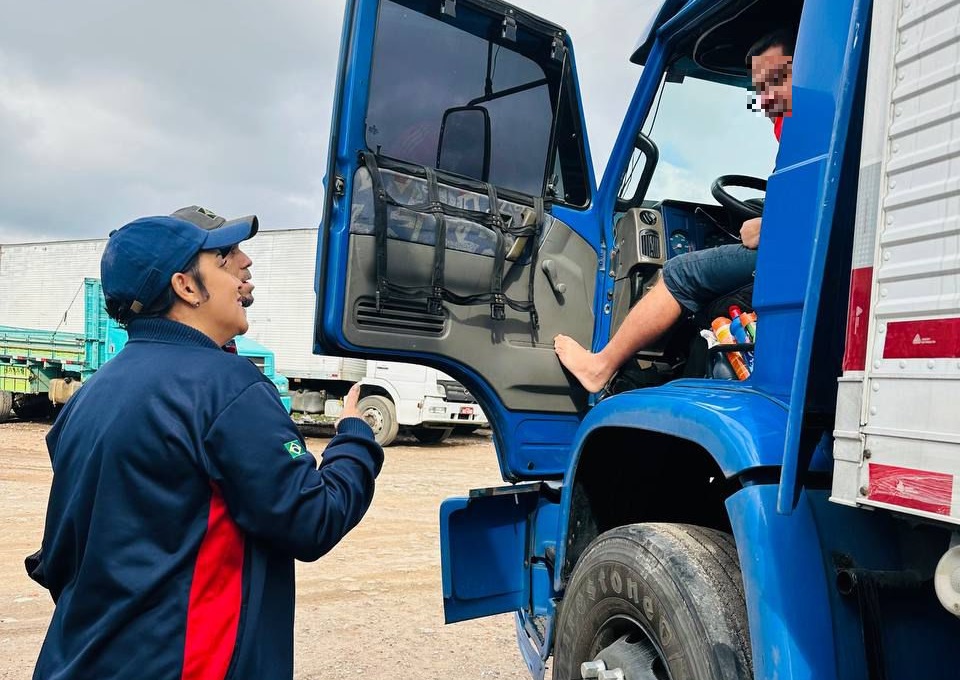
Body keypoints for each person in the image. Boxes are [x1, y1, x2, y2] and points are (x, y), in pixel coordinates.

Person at [31, 211, 384, 679]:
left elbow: (59, 556)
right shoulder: (225, 387)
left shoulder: (93, 392)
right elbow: (312, 519)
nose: (245, 264)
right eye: (223, 257)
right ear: (187, 287)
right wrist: (355, 438)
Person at [554, 28, 794, 392]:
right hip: (800, 255)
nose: (766, 97)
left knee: (680, 272)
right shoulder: (813, 125)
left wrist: (760, 225)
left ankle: (600, 367)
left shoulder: (803, 128)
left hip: (790, 257)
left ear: (804, 69)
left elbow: (794, 217)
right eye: (760, 88)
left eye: (777, 79)